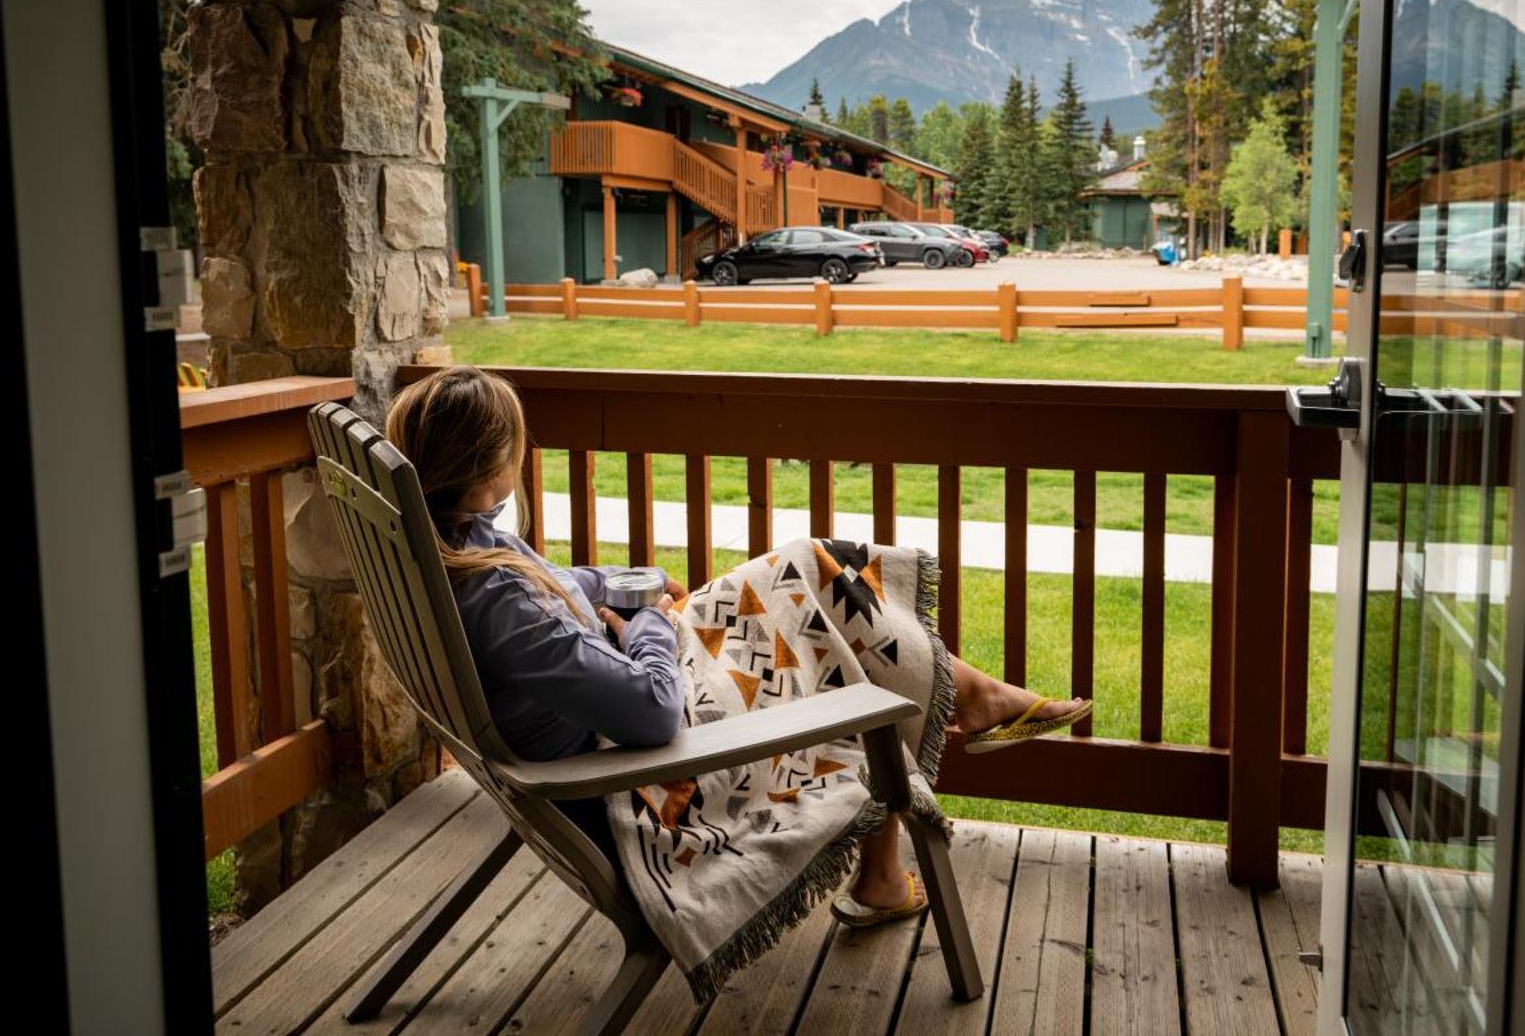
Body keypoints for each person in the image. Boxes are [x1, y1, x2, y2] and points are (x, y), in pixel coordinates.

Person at [385, 366, 1089, 939]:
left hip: (622, 701)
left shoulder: (457, 544)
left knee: (811, 565)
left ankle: (963, 722)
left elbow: (562, 586)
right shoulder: (503, 603)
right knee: (836, 649)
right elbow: (653, 712)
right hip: (646, 771)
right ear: (488, 468)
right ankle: (964, 722)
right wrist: (653, 624)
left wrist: (639, 584)